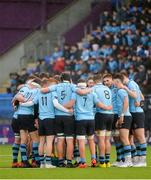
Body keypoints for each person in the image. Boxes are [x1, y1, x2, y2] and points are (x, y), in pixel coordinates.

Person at [122, 72, 147, 167]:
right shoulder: (133, 84)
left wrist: (126, 89)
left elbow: (136, 96)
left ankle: (143, 160)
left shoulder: (131, 84)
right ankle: (136, 158)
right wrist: (140, 103)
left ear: (124, 77)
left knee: (140, 136)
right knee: (131, 137)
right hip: (132, 113)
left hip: (137, 113)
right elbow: (142, 97)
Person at [93, 74, 113, 168]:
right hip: (110, 114)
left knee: (101, 139)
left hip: (101, 114)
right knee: (107, 139)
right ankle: (108, 161)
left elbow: (95, 102)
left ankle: (102, 162)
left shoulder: (94, 89)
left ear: (94, 81)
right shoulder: (107, 89)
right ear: (101, 80)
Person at [113, 73, 133, 167]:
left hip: (125, 116)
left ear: (117, 81)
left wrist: (122, 115)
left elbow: (126, 103)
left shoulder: (121, 91)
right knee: (122, 138)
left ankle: (128, 161)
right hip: (124, 116)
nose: (113, 83)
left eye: (114, 81)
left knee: (124, 138)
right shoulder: (120, 90)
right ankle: (125, 160)